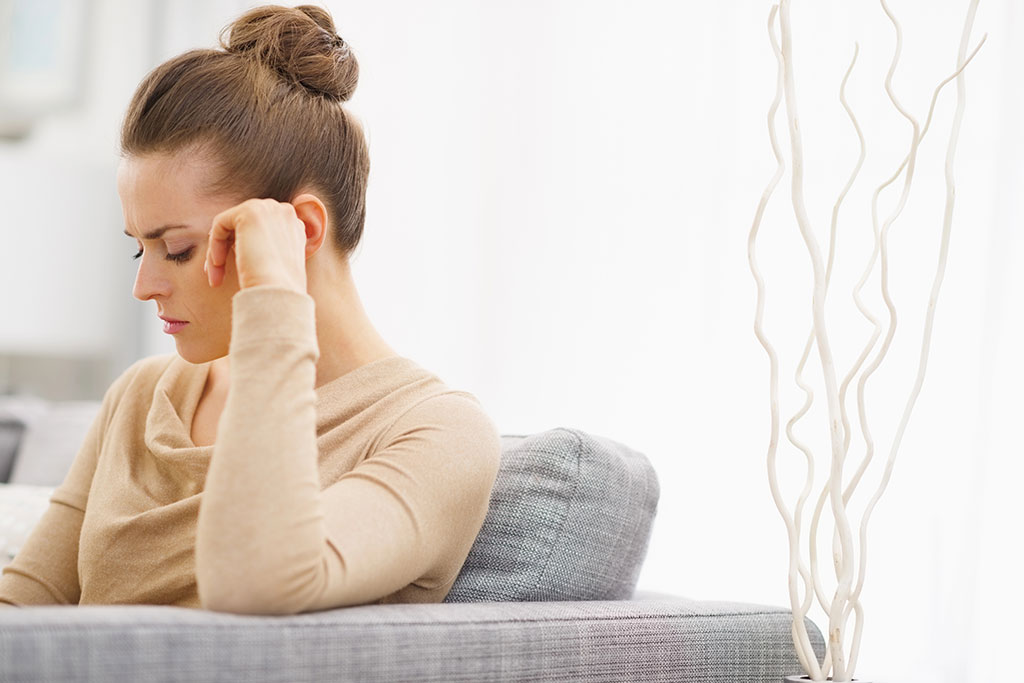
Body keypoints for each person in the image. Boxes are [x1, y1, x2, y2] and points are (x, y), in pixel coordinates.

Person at [0, 4, 501, 615]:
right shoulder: (141, 396)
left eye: (178, 250)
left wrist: (275, 300)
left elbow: (254, 582)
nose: (145, 285)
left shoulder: (436, 434)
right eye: (139, 247)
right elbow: (23, 611)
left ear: (303, 230)